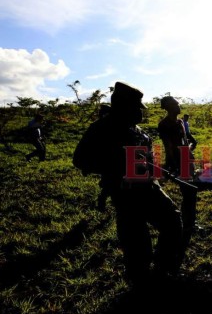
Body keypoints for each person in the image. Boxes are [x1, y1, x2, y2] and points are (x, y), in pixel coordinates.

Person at [73, 82, 187, 285]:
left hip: (149, 187)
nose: (140, 113)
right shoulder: (101, 128)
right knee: (136, 241)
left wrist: (155, 168)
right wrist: (118, 166)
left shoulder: (136, 129)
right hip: (124, 192)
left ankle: (163, 270)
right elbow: (80, 160)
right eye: (135, 108)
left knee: (172, 221)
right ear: (122, 106)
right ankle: (140, 286)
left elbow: (147, 158)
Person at [158, 96, 199, 239]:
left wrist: (190, 147)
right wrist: (174, 166)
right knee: (188, 192)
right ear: (168, 107)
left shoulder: (181, 122)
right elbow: (168, 147)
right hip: (179, 161)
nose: (178, 105)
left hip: (187, 159)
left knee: (192, 192)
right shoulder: (164, 125)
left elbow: (188, 140)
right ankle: (187, 225)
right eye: (175, 103)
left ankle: (190, 222)